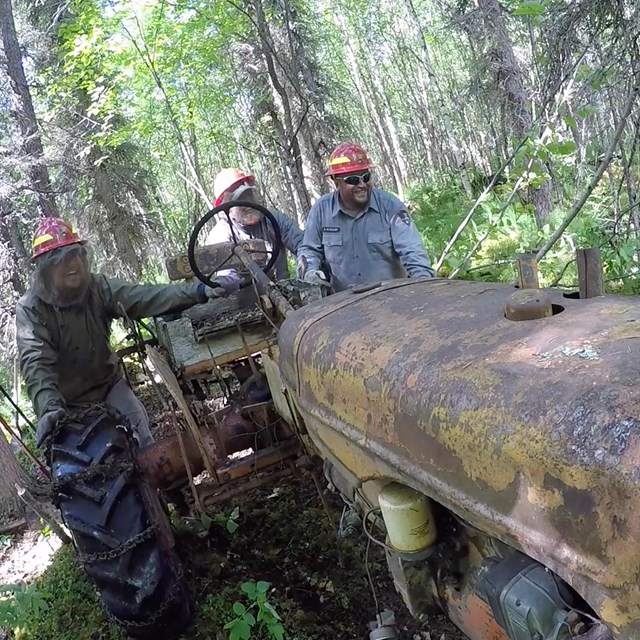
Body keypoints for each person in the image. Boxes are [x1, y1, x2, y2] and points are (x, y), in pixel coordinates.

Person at [16, 218, 240, 450]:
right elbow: (36, 363)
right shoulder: (31, 309)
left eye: (76, 255)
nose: (73, 264)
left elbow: (144, 296)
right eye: (62, 260)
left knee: (145, 445)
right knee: (83, 470)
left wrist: (200, 290)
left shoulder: (97, 287)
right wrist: (49, 407)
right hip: (68, 406)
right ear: (46, 267)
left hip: (109, 386)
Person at [297, 143, 436, 293]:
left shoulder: (391, 207)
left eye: (366, 177)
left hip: (392, 298)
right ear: (336, 182)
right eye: (353, 180)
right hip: (343, 304)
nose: (362, 184)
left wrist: (423, 285)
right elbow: (309, 250)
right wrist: (310, 272)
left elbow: (413, 252)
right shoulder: (321, 210)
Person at [205, 168, 303, 281]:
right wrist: (227, 282)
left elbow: (301, 243)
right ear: (226, 209)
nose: (248, 203)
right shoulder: (220, 235)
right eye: (240, 200)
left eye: (248, 195)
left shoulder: (273, 218)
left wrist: (307, 265)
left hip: (286, 291)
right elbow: (227, 274)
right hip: (245, 297)